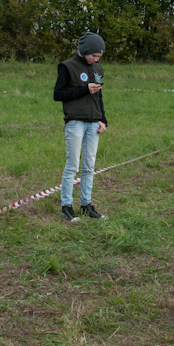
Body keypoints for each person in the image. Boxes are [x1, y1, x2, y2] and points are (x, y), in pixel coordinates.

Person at [53, 32, 108, 221]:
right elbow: (58, 94)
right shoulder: (67, 67)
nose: (96, 59)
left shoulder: (97, 68)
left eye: (99, 57)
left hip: (94, 122)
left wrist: (103, 119)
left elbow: (99, 96)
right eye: (94, 55)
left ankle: (86, 204)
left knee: (89, 165)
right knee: (72, 165)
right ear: (84, 51)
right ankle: (67, 206)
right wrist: (84, 90)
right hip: (75, 122)